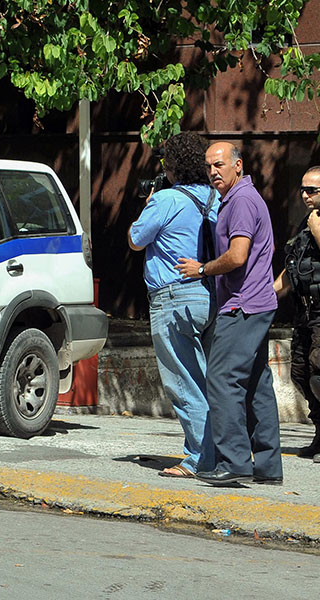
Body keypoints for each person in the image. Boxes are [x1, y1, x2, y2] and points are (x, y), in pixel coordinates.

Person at [175, 141, 283, 486]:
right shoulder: (244, 200)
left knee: (221, 380)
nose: (213, 172)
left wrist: (203, 269)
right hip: (256, 302)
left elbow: (237, 256)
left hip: (243, 305)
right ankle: (267, 467)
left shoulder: (240, 201)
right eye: (209, 166)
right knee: (255, 384)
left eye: (219, 165)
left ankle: (234, 461)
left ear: (238, 165)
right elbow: (265, 247)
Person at [128, 132, 217, 479]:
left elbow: (136, 240)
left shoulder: (165, 199)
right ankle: (218, 452)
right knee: (207, 379)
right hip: (208, 294)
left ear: (174, 166)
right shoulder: (214, 198)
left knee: (182, 379)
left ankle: (198, 459)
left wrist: (148, 202)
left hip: (173, 298)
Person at [273, 166, 320, 461]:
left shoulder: (315, 222)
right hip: (305, 313)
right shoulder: (306, 224)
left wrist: (316, 222)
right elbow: (292, 271)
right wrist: (263, 296)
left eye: (312, 191)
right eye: (302, 190)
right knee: (302, 373)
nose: (304, 195)